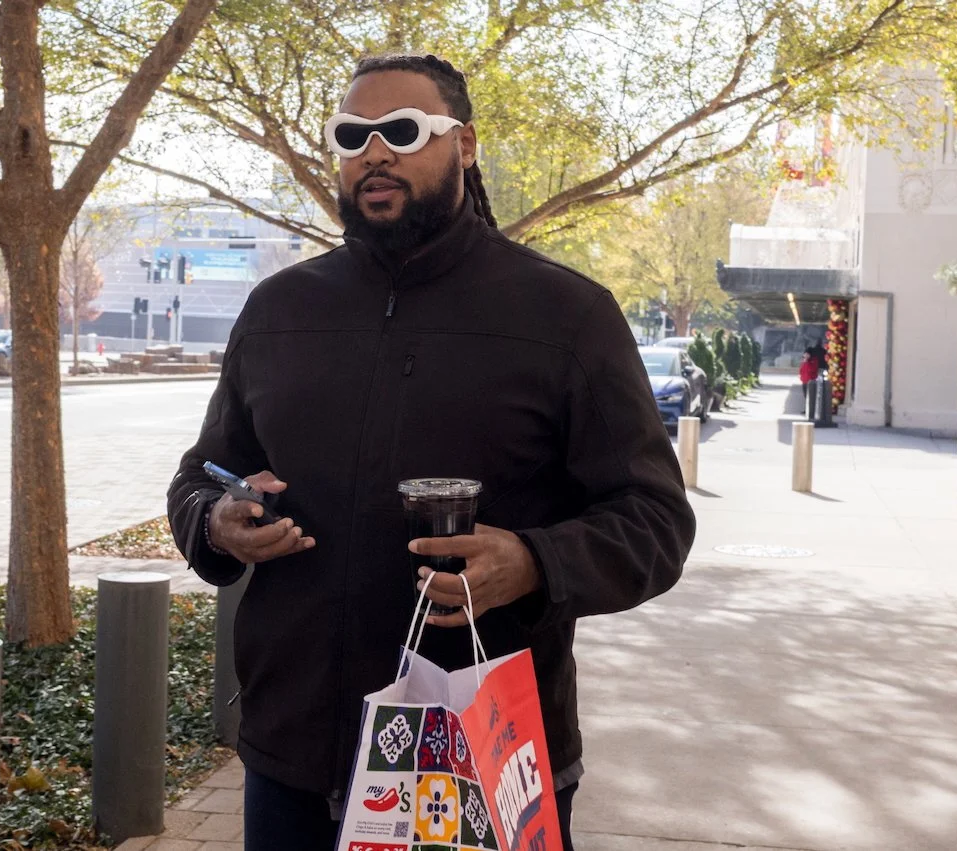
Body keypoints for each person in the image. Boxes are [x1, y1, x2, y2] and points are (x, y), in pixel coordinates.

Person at [167, 53, 695, 851]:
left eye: (403, 131)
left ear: (466, 144)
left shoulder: (567, 315)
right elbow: (198, 475)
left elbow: (656, 520)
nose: (374, 154)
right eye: (353, 135)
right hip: (293, 759)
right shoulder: (279, 310)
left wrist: (534, 560)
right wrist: (217, 521)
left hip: (476, 755)